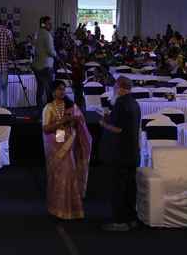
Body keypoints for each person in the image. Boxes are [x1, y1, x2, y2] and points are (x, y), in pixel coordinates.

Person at [41, 80, 91, 220]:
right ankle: (57, 208)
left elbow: (80, 121)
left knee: (69, 174)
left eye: (63, 89)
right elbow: (46, 129)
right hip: (55, 145)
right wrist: (61, 121)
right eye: (59, 89)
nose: (62, 92)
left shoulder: (71, 106)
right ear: (53, 92)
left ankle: (71, 209)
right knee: (58, 176)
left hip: (69, 143)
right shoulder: (48, 108)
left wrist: (75, 120)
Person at [100, 77, 141, 231]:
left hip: (120, 153)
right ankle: (131, 219)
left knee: (118, 188)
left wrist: (103, 124)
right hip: (132, 152)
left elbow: (118, 129)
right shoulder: (135, 103)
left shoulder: (121, 103)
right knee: (130, 187)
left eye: (115, 87)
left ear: (120, 87)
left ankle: (119, 221)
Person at [33, 16, 57, 109]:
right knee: (49, 90)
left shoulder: (37, 33)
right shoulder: (47, 35)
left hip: (36, 65)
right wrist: (56, 54)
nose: (51, 25)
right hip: (46, 66)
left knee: (40, 88)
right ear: (43, 24)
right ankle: (50, 110)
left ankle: (39, 109)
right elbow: (50, 51)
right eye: (49, 23)